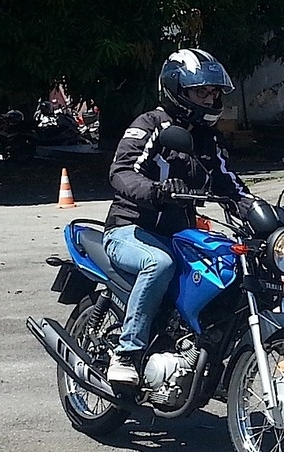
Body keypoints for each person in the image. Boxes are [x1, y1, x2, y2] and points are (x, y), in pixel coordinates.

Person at [103, 48, 257, 384]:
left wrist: (261, 213)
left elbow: (228, 184)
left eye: (213, 92)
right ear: (177, 90)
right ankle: (126, 353)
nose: (210, 98)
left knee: (223, 267)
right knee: (159, 264)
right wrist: (154, 192)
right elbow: (122, 171)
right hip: (130, 228)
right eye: (201, 91)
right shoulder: (151, 124)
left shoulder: (208, 139)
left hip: (178, 234)